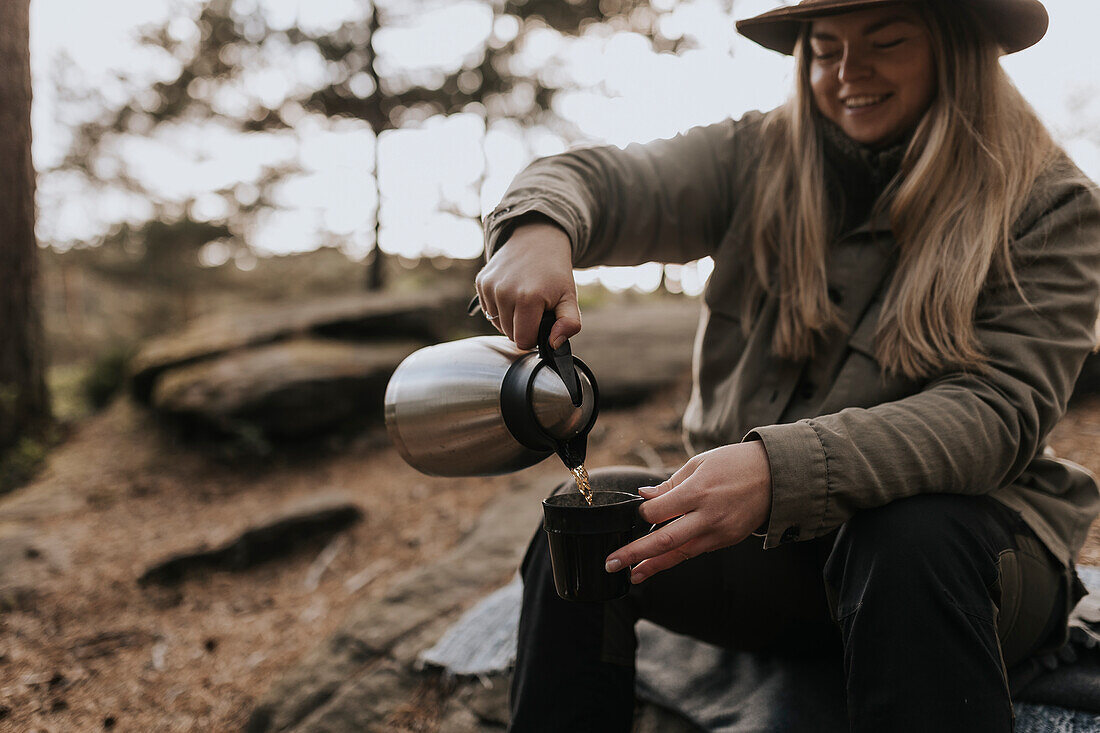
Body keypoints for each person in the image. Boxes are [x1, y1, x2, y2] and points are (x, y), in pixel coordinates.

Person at [474, 0, 1100, 730]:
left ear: (958, 50)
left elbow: (996, 413)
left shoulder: (1050, 205)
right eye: (824, 48)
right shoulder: (753, 156)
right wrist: (537, 225)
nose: (846, 73)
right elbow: (611, 180)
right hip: (781, 562)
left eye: (885, 41)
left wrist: (779, 470)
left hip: (973, 568)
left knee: (907, 536)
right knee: (588, 522)